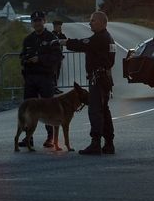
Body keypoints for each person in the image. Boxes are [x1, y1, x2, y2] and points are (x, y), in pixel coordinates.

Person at [60, 11, 115, 155]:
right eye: (90, 20)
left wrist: (66, 42)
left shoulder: (100, 38)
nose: (90, 23)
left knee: (95, 111)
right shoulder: (108, 38)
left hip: (98, 79)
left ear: (102, 23)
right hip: (104, 79)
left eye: (93, 20)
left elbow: (83, 44)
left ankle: (95, 143)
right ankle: (109, 143)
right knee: (104, 111)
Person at [19, 10, 61, 148]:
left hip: (46, 77)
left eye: (39, 20)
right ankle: (28, 138)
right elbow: (22, 56)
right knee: (29, 109)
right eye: (35, 21)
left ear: (45, 21)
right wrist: (26, 60)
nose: (37, 23)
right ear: (32, 23)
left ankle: (50, 138)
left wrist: (40, 59)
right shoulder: (28, 39)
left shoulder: (51, 38)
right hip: (31, 77)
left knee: (48, 108)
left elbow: (57, 57)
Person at [52, 20, 67, 94]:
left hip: (59, 57)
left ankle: (56, 87)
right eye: (59, 27)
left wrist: (60, 33)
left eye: (60, 27)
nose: (60, 28)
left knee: (57, 73)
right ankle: (53, 88)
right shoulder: (52, 35)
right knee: (54, 73)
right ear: (55, 27)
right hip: (54, 57)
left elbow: (65, 39)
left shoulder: (60, 34)